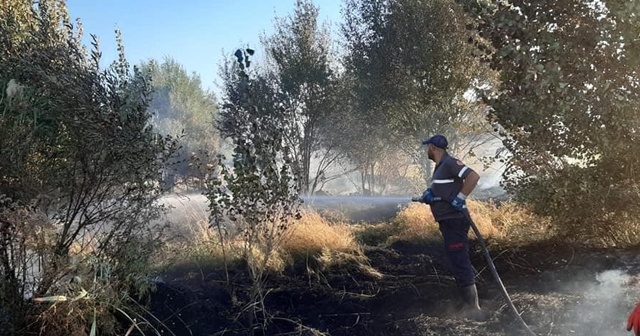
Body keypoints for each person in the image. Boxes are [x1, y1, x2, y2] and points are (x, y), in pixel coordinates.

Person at [418, 134, 486, 321]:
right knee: (457, 260)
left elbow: (473, 176)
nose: (426, 151)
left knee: (460, 260)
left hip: (455, 220)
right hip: (447, 221)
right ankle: (468, 304)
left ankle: (473, 308)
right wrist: (429, 194)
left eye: (427, 147)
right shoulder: (440, 168)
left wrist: (460, 198)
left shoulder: (449, 163)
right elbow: (443, 190)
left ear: (432, 147)